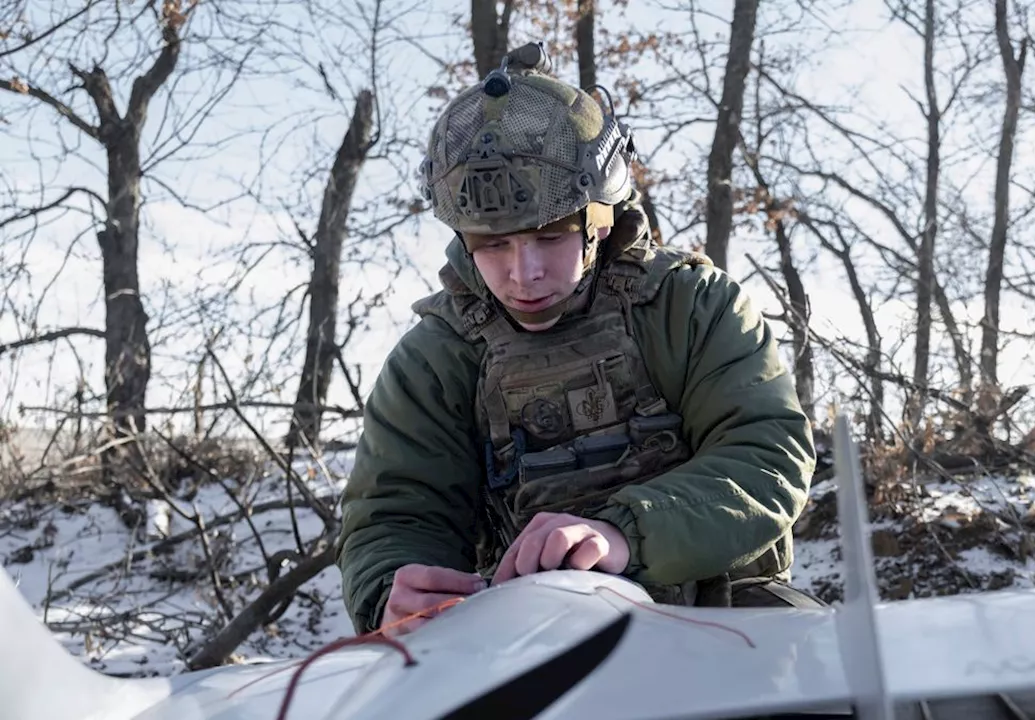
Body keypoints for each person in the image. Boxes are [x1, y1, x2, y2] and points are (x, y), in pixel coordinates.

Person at [335, 41, 821, 637]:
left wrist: (624, 533)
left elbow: (767, 456)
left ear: (600, 218)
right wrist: (392, 587)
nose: (523, 273)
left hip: (722, 611)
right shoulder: (434, 361)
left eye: (549, 236)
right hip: (528, 633)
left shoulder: (693, 306)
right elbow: (397, 512)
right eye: (492, 245)